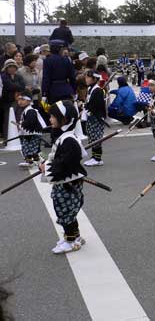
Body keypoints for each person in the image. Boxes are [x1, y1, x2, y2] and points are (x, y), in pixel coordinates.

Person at [39, 100, 87, 254]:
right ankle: (74, 236)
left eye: (53, 116)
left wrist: (46, 167)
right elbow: (60, 161)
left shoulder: (69, 141)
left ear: (64, 120)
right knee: (66, 209)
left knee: (65, 211)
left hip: (69, 183)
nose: (50, 119)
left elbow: (65, 165)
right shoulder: (64, 137)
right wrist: (47, 164)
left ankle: (71, 240)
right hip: (65, 181)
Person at [16, 90, 47, 167]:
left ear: (29, 101)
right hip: (31, 133)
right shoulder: (27, 110)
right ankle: (40, 160)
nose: (20, 102)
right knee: (34, 149)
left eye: (23, 100)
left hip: (33, 134)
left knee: (27, 148)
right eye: (19, 99)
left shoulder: (30, 111)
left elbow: (31, 121)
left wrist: (22, 124)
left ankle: (31, 162)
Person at [41, 40, 76, 104]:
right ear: (60, 49)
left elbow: (46, 78)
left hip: (53, 91)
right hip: (66, 90)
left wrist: (44, 94)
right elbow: (72, 77)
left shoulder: (47, 61)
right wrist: (74, 90)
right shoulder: (66, 60)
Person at [83, 70, 106, 167]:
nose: (86, 79)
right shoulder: (91, 89)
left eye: (88, 77)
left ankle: (97, 158)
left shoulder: (98, 91)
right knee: (92, 137)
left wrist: (87, 107)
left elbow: (97, 105)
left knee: (96, 138)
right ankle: (94, 157)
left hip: (96, 117)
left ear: (94, 79)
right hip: (91, 117)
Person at [1, 59, 25, 140]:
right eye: (10, 67)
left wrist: (15, 86)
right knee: (8, 119)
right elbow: (8, 86)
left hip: (18, 101)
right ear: (6, 68)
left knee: (19, 118)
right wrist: (16, 86)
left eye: (13, 67)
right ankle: (7, 138)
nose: (12, 68)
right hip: (7, 102)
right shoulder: (3, 76)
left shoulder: (19, 76)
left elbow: (22, 87)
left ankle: (18, 136)